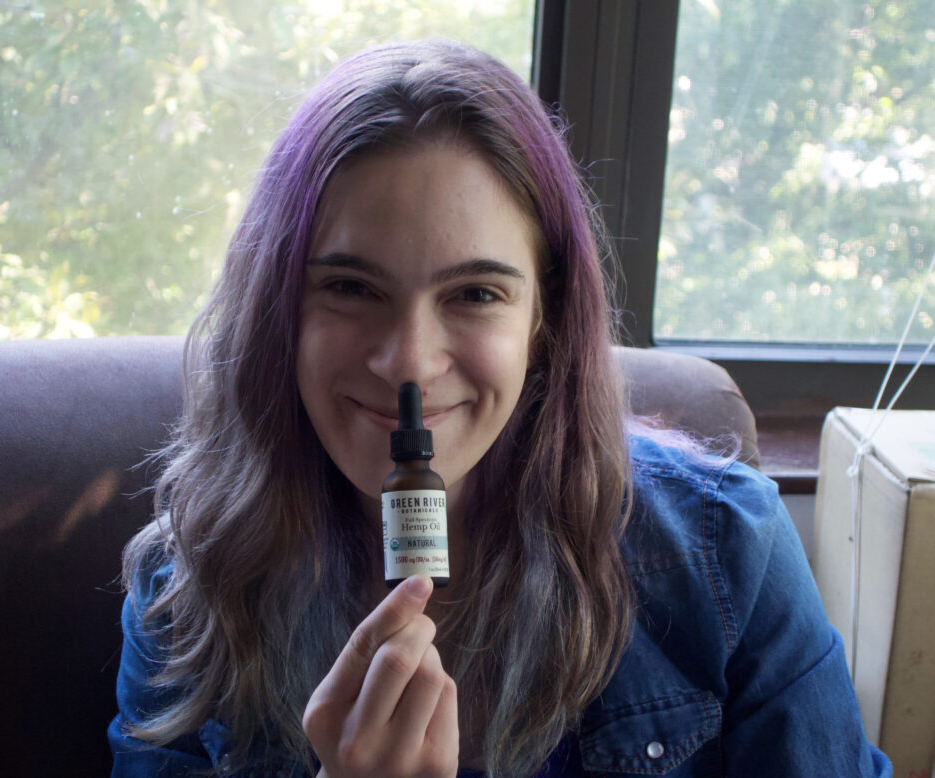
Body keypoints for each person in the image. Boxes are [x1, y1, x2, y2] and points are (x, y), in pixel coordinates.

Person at [108, 39, 891, 777]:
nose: (409, 361)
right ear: (280, 309)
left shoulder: (725, 553)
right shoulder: (192, 590)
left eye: (476, 293)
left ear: (542, 319)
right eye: (350, 287)